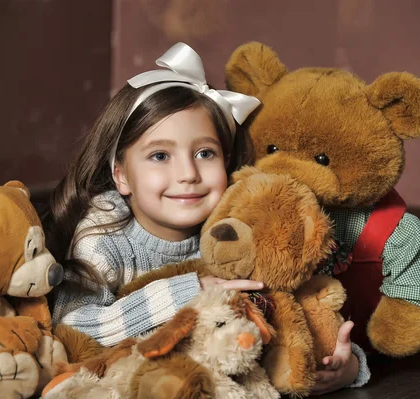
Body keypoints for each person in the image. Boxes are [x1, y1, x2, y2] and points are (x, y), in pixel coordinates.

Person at [43, 42, 369, 391]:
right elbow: (73, 326)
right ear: (121, 174)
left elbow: (295, 310)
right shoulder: (104, 234)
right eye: (159, 156)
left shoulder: (238, 228)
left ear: (226, 161)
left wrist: (345, 367)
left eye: (204, 153)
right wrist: (190, 292)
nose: (188, 173)